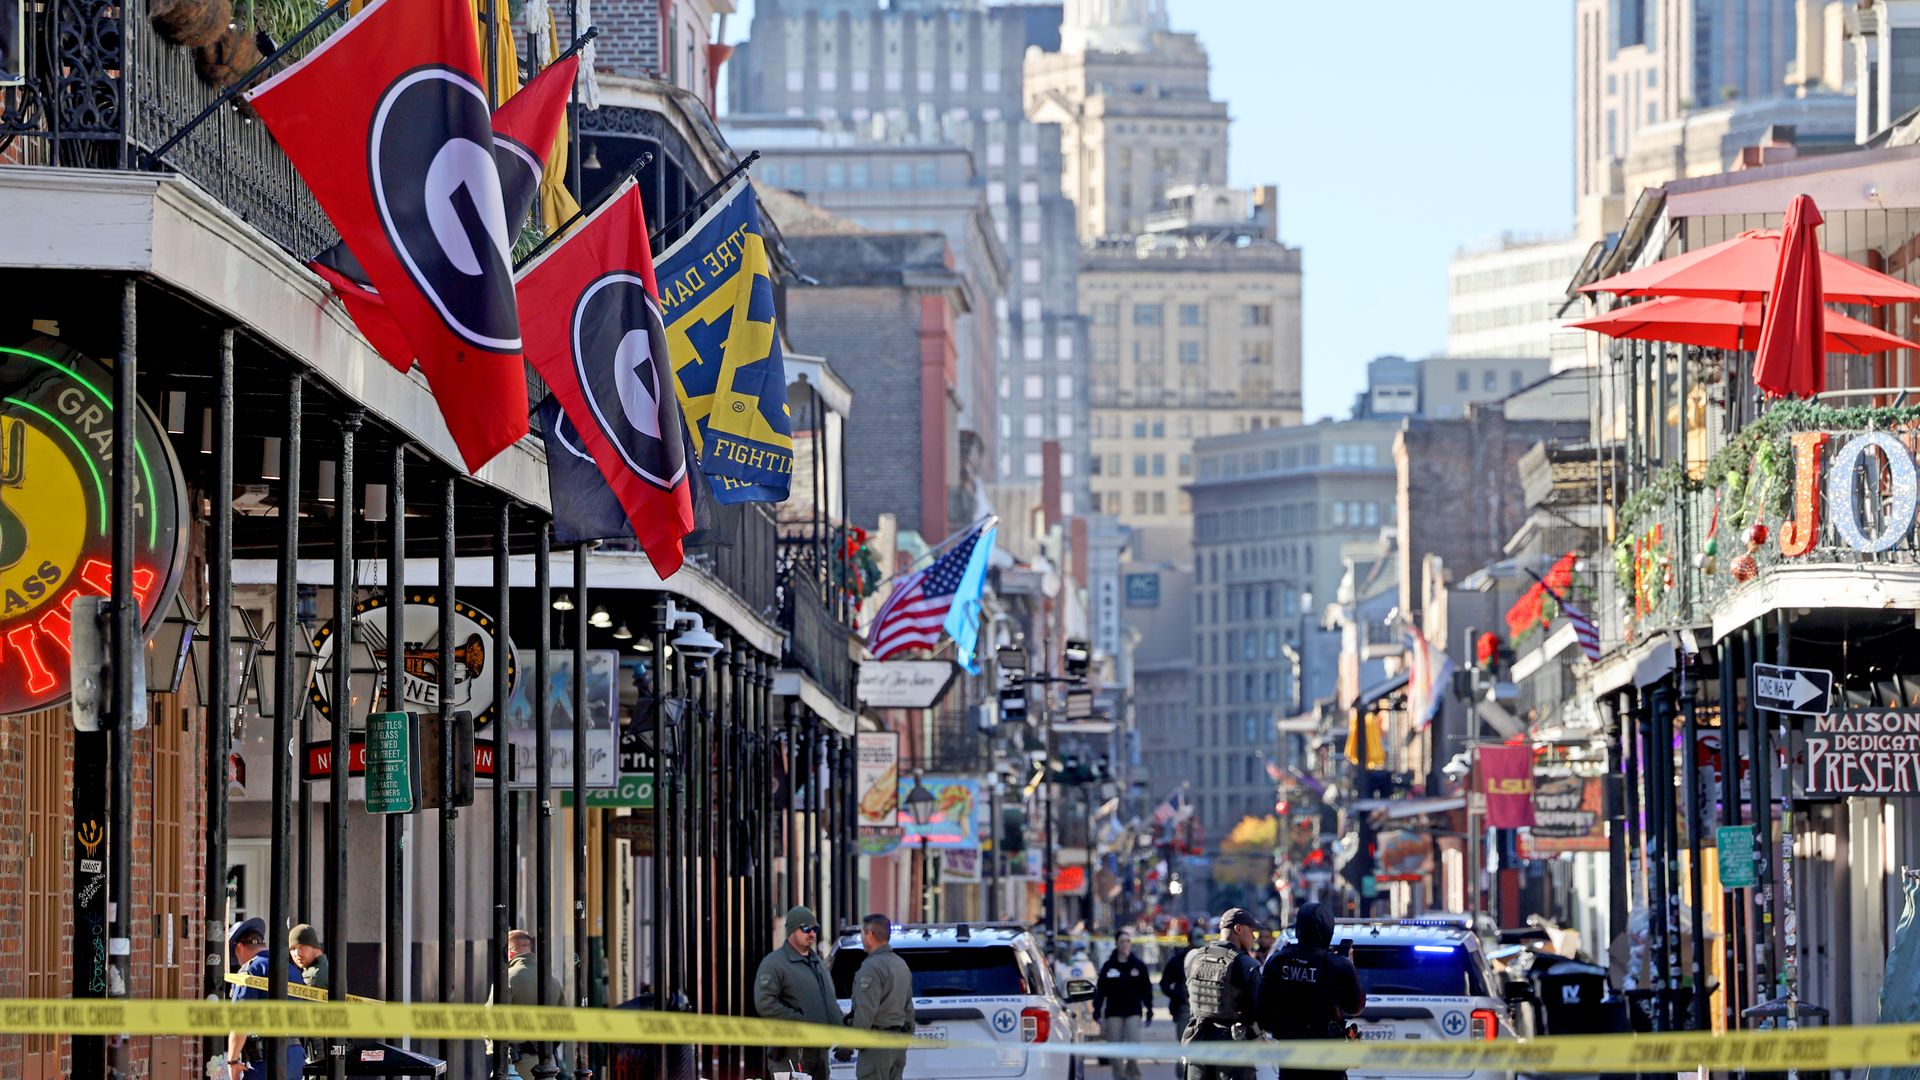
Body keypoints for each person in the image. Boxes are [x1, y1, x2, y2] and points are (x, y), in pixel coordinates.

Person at [1257, 903, 1365, 1080]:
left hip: (1290, 1059)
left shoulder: (1278, 961)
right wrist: (1350, 967)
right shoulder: (1338, 965)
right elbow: (1355, 1006)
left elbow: (1263, 1015)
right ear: (1327, 927)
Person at [754, 905, 842, 1080]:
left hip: (820, 1053)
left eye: (815, 929)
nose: (812, 934)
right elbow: (765, 1003)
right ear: (792, 931)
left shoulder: (817, 964)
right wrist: (801, 1021)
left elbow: (829, 1002)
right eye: (806, 928)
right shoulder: (775, 963)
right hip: (791, 1053)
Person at [1181, 908, 1263, 1080]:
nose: (1254, 937)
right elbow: (1259, 1011)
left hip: (1197, 1042)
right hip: (1233, 1050)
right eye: (1252, 931)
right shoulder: (1247, 965)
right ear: (1239, 929)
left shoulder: (1193, 958)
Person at [224, 917, 307, 1080]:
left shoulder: (250, 970)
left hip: (267, 1060)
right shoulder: (291, 970)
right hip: (295, 1056)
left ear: (239, 947)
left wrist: (232, 1062)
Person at [487, 929, 566, 1079]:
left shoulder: (507, 978)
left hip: (515, 1065)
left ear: (510, 952)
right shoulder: (553, 981)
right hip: (548, 1065)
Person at [845, 912, 914, 1080]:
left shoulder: (871, 968)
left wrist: (848, 1044)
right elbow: (909, 1009)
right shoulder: (900, 964)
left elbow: (866, 1011)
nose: (862, 938)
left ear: (869, 934)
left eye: (862, 933)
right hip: (897, 1045)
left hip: (877, 1048)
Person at [1093, 930, 1153, 1080]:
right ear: (1117, 944)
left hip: (1133, 1011)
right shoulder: (1109, 966)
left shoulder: (1138, 965)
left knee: (1133, 1048)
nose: (1125, 944)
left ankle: (1133, 1076)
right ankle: (1120, 1077)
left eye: (1128, 941)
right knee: (1115, 1051)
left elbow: (1146, 989)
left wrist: (1149, 1009)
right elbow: (1101, 990)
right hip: (1114, 1013)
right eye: (1122, 941)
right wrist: (1096, 1009)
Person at [289, 924, 328, 1068]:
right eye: (293, 948)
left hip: (319, 1051)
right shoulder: (324, 967)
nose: (297, 953)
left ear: (315, 947)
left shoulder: (313, 975)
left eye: (302, 946)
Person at [1162, 929, 1202, 1031]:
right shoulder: (1177, 961)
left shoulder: (1207, 959)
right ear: (1189, 941)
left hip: (1202, 1010)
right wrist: (1177, 996)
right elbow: (1164, 983)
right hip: (1183, 1009)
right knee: (1184, 1043)